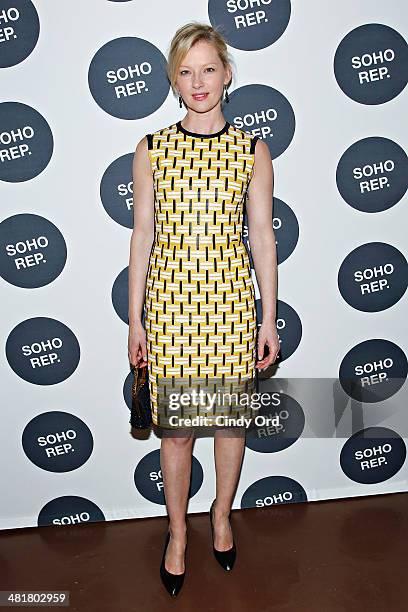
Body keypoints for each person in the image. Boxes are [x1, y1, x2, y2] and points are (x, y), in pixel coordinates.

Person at [128, 22, 278, 597]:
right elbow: (142, 235)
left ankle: (220, 517)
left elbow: (262, 235)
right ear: (173, 79)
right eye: (186, 71)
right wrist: (137, 318)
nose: (198, 82)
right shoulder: (152, 149)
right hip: (169, 311)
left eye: (208, 69)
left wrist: (267, 317)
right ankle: (176, 535)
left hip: (233, 309)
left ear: (227, 73)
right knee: (177, 437)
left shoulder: (251, 150)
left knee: (226, 426)